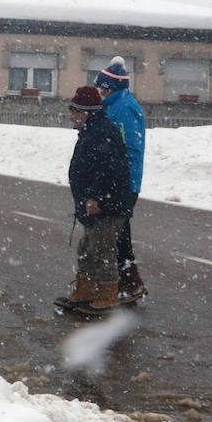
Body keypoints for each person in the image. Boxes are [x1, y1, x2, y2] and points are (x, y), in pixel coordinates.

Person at [56, 86, 133, 315]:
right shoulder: (92, 130)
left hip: (108, 205)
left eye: (75, 112)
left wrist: (96, 197)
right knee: (87, 248)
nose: (72, 116)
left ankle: (108, 295)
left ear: (85, 112)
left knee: (102, 249)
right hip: (97, 204)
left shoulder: (102, 132)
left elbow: (109, 170)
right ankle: (85, 291)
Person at [95, 57, 148, 303]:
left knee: (116, 233)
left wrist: (119, 179)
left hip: (123, 181)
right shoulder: (114, 104)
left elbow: (129, 147)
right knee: (118, 232)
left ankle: (129, 282)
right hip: (118, 180)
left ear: (111, 87)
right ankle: (125, 282)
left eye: (102, 87)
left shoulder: (124, 107)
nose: (100, 91)